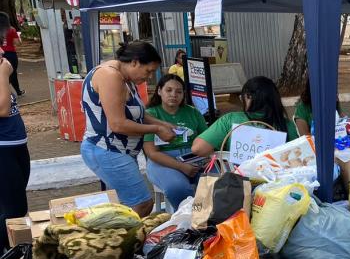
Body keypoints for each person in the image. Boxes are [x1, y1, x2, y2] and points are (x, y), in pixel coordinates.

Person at [81, 41, 177, 218]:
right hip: (107, 149)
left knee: (130, 205)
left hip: (118, 151)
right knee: (142, 204)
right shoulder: (110, 76)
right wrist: (156, 129)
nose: (148, 77)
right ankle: (119, 242)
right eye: (148, 71)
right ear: (134, 62)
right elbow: (118, 124)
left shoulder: (125, 78)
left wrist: (163, 124)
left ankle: (120, 240)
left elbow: (136, 114)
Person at [143, 74, 208, 209]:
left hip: (193, 157)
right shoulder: (150, 115)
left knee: (217, 181)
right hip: (162, 161)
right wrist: (181, 167)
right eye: (169, 90)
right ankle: (187, 221)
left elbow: (206, 140)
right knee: (178, 187)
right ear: (159, 91)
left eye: (179, 92)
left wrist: (206, 158)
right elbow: (151, 152)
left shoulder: (193, 112)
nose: (174, 95)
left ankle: (208, 217)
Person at [193, 76, 299, 157]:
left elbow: (198, 148)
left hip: (239, 181)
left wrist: (222, 157)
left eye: (242, 96)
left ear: (248, 97)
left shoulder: (230, 120)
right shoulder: (287, 125)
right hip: (277, 182)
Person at [0, 49, 28, 250]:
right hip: (3, 149)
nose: (3, 52)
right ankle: (10, 256)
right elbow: (3, 109)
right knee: (14, 209)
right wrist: (3, 74)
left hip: (16, 145)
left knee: (14, 204)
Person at [0, 12, 23, 96]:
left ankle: (11, 92)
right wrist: (19, 37)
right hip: (11, 54)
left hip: (1, 55)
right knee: (12, 73)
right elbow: (17, 43)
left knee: (2, 74)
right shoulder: (11, 29)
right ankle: (16, 91)